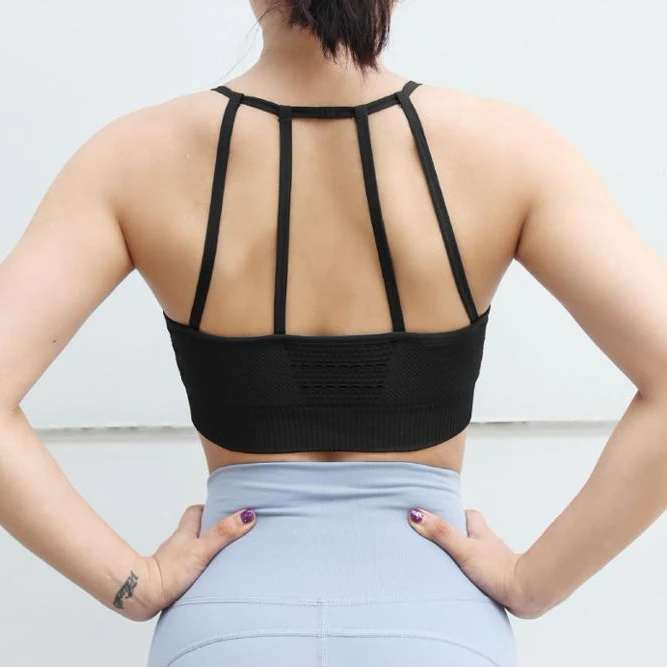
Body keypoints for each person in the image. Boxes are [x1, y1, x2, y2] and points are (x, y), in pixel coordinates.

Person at [2, 0, 667, 665]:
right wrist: (532, 584)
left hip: (226, 632)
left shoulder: (134, 157)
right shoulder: (507, 148)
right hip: (437, 629)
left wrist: (135, 585)